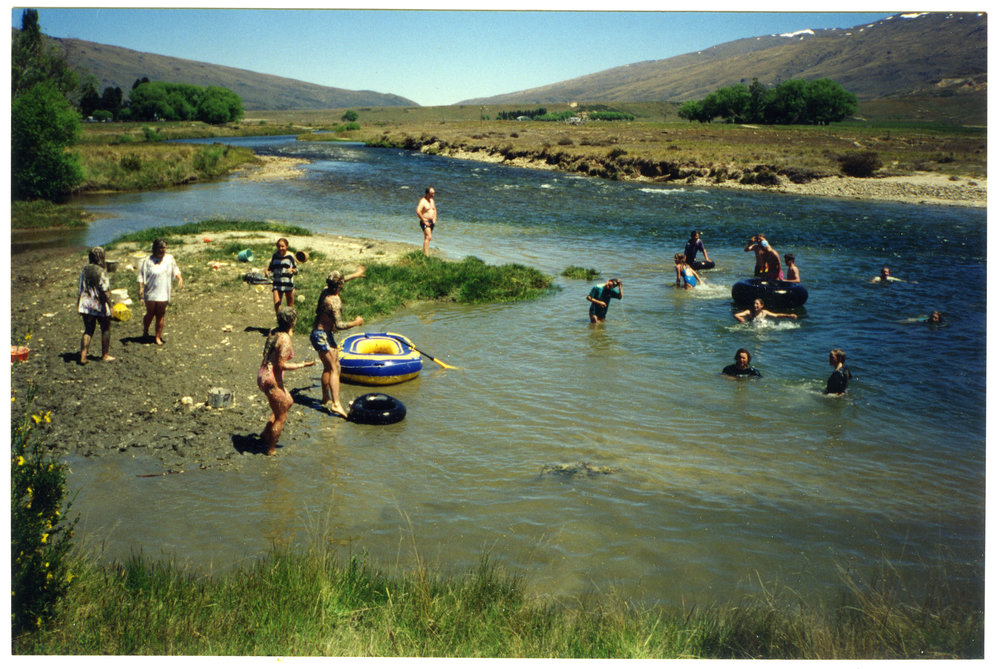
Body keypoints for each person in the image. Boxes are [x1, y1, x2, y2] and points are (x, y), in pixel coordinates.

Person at [258, 307, 317, 455]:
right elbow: (282, 365)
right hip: (271, 379)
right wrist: (303, 365)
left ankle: (265, 435)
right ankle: (270, 450)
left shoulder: (273, 331)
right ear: (292, 322)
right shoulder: (284, 339)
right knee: (281, 416)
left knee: (288, 401)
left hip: (263, 374)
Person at [312, 266, 366, 417]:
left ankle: (325, 398)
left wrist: (355, 274)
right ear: (339, 286)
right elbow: (340, 325)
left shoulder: (325, 290)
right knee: (334, 369)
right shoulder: (334, 302)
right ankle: (336, 404)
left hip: (320, 333)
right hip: (322, 335)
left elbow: (341, 279)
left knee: (331, 366)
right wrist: (356, 322)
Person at [138, 238, 183, 346]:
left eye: (164, 248)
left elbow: (175, 269)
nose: (162, 250)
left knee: (160, 314)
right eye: (160, 248)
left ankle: (157, 337)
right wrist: (140, 289)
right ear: (155, 248)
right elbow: (141, 276)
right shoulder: (147, 260)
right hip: (151, 291)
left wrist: (179, 278)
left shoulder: (169, 258)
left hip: (163, 290)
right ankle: (145, 331)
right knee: (150, 313)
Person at [77, 246, 114, 364]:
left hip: (85, 303)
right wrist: (110, 306)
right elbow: (105, 291)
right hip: (98, 304)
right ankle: (105, 355)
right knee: (105, 328)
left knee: (88, 330)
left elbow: (81, 287)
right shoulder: (101, 272)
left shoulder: (84, 269)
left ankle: (83, 356)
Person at [265, 237, 298, 317]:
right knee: (277, 304)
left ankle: (290, 324)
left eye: (283, 246)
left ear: (287, 246)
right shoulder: (275, 256)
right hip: (277, 283)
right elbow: (270, 267)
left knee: (290, 306)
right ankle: (280, 323)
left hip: (288, 284)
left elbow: (296, 270)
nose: (281, 248)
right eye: (279, 246)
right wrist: (266, 271)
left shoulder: (290, 256)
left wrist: (292, 270)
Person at [733, 298, 798, 323]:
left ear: (762, 306)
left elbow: (776, 315)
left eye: (757, 304)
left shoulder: (764, 312)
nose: (755, 305)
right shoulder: (749, 312)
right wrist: (741, 320)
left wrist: (789, 315)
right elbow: (736, 315)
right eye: (754, 303)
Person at [416, 186, 437, 256]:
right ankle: (426, 255)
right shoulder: (423, 201)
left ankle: (424, 252)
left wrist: (434, 218)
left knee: (427, 238)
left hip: (431, 221)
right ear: (427, 193)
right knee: (428, 237)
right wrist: (424, 221)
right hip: (425, 221)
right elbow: (418, 211)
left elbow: (434, 209)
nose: (433, 195)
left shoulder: (432, 200)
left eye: (434, 193)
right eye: (431, 193)